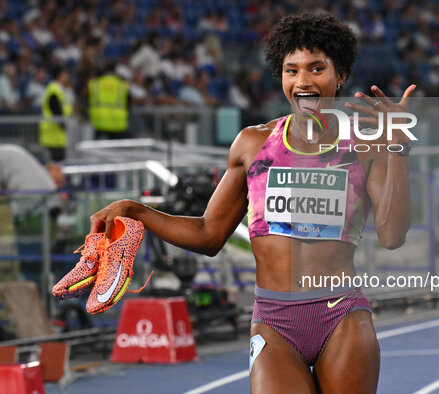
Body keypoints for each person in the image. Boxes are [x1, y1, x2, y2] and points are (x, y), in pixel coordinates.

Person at [88, 13, 413, 393]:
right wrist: (136, 210)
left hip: (340, 314)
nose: (303, 81)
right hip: (274, 321)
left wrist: (398, 150)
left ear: (339, 75)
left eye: (316, 68)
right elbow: (209, 234)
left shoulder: (366, 145)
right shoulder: (253, 144)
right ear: (281, 76)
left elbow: (392, 235)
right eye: (292, 71)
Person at [87, 61, 131, 139]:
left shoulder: (95, 84)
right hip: (118, 123)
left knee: (97, 150)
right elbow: (129, 102)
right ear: (115, 70)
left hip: (99, 121)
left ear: (104, 69)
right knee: (116, 150)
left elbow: (87, 100)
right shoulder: (122, 84)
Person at [39, 65, 74, 162]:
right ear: (60, 76)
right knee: (57, 165)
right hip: (53, 135)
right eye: (65, 74)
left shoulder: (59, 90)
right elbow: (56, 112)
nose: (67, 77)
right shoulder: (54, 91)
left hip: (57, 135)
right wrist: (64, 126)